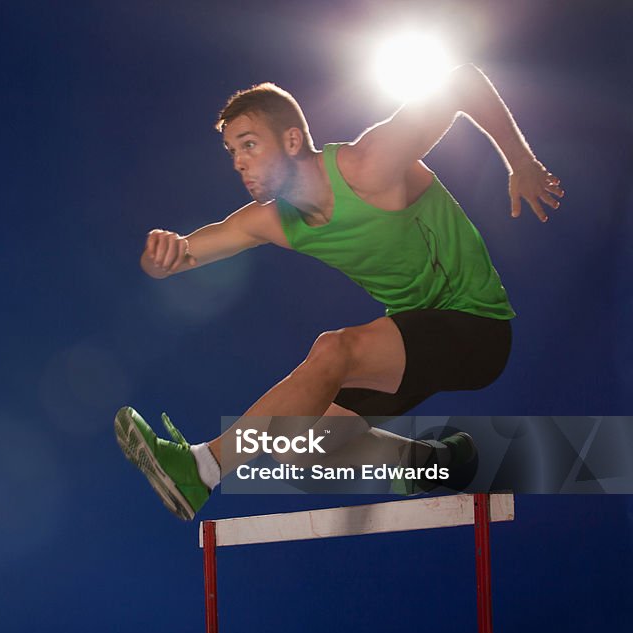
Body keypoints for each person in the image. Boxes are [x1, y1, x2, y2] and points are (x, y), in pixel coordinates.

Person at [114, 64, 563, 520]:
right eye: (232, 151)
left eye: (249, 145)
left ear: (291, 140)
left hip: (478, 330)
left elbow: (463, 81)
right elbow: (184, 256)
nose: (239, 162)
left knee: (334, 350)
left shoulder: (369, 164)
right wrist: (162, 256)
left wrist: (522, 163)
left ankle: (203, 467)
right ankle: (435, 465)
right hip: (412, 341)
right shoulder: (270, 220)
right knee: (300, 449)